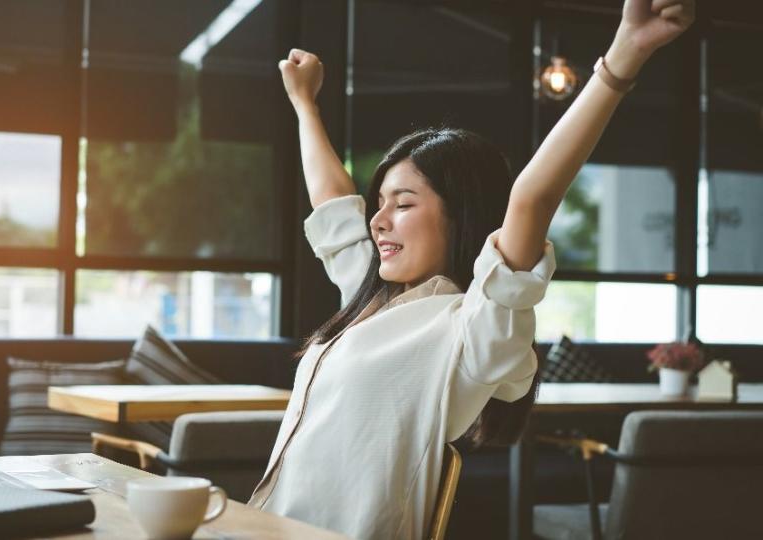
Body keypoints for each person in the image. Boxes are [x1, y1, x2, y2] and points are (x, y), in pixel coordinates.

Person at [245, 0, 696, 538]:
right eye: (380, 203)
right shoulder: (371, 298)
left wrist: (625, 55)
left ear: (461, 218)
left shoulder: (473, 330)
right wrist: (303, 103)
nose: (378, 221)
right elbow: (333, 203)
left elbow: (531, 197)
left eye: (404, 204)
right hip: (266, 526)